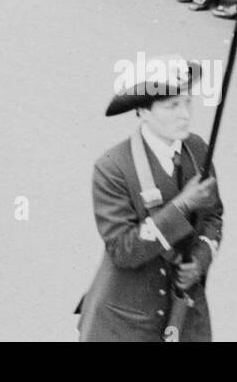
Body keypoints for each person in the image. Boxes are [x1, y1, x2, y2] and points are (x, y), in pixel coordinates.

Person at [74, 60, 223, 342]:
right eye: (171, 106)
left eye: (187, 103)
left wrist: (200, 262)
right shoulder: (112, 167)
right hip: (126, 321)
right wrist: (181, 206)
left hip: (183, 313)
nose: (184, 115)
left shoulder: (198, 150)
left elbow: (213, 218)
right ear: (142, 111)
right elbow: (123, 249)